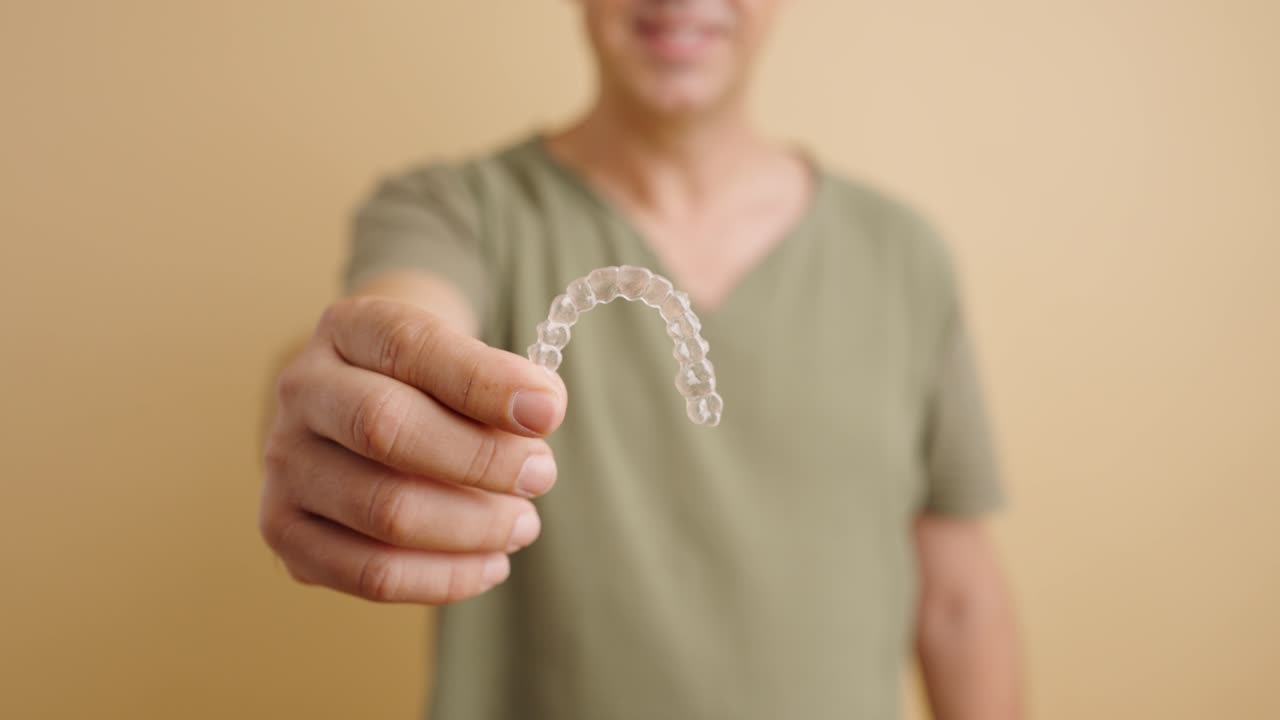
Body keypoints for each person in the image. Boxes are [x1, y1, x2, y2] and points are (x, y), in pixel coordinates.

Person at [259, 1, 1023, 717]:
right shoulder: (455, 212)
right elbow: (397, 322)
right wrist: (350, 407)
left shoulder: (902, 258)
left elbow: (957, 598)